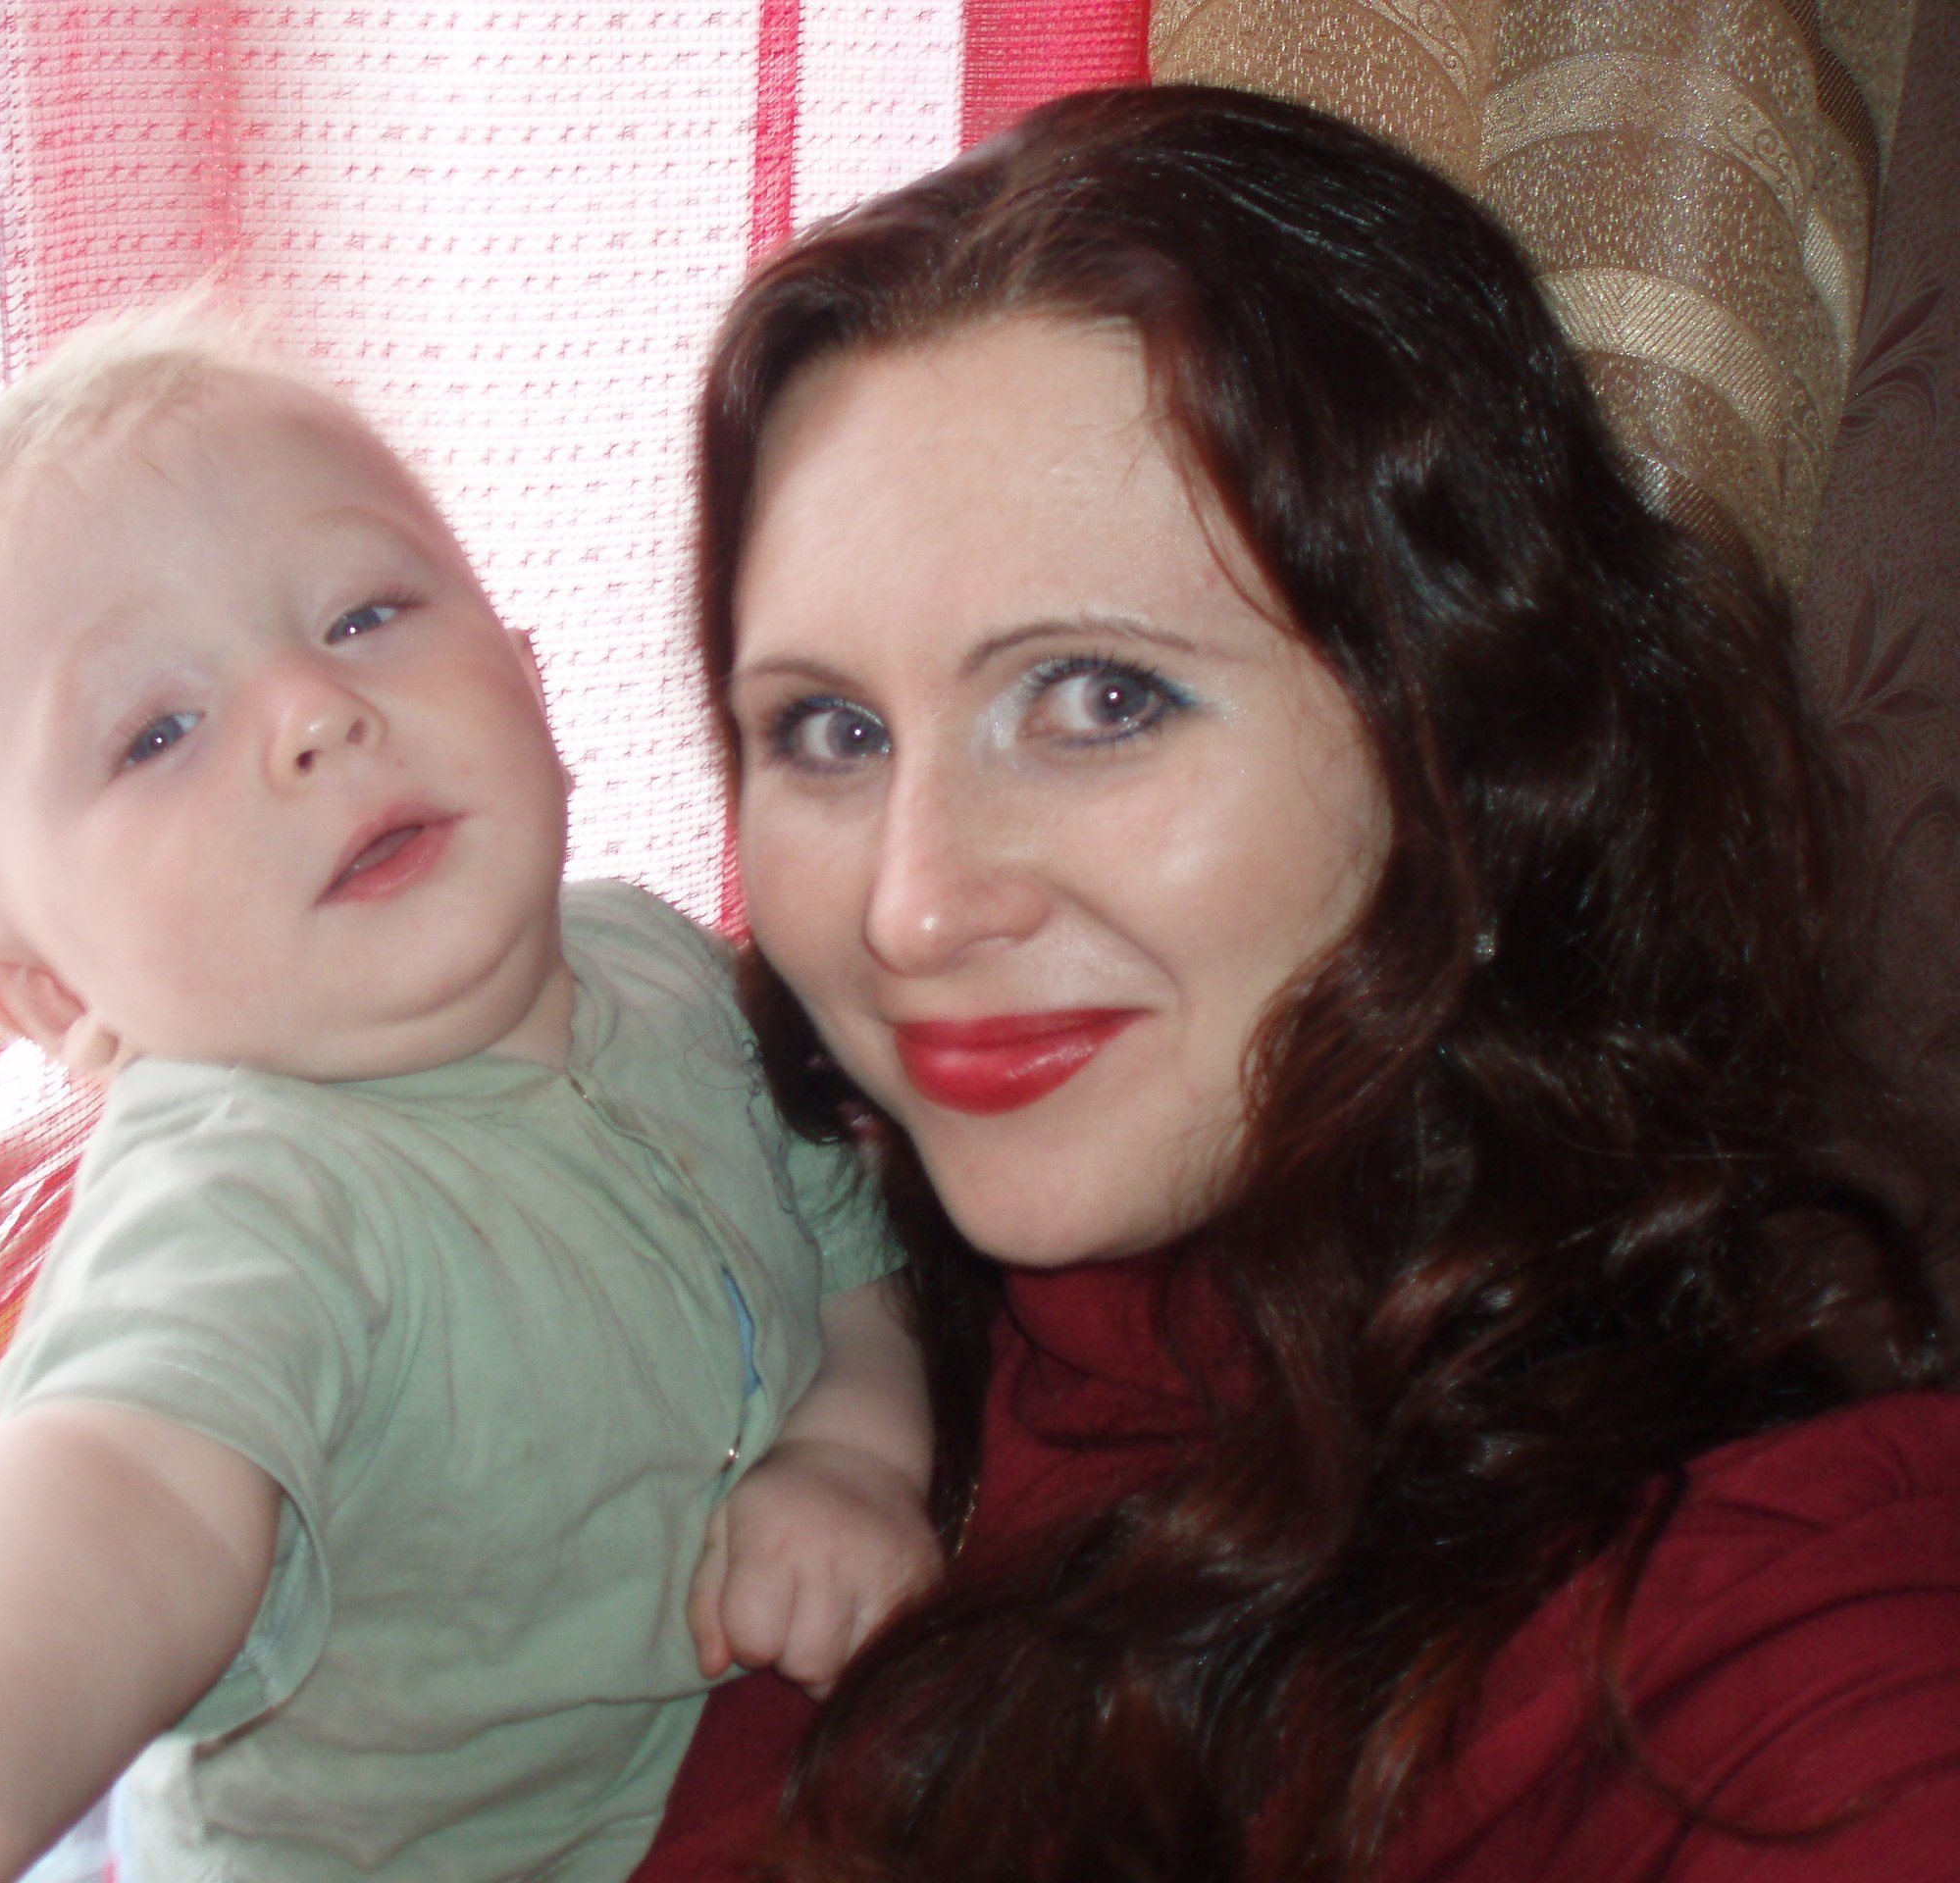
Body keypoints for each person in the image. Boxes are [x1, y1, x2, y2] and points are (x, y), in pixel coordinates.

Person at [633, 83, 1960, 1883]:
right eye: (829, 730)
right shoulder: (736, 1300)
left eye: (1102, 697)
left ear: (1470, 757)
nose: (913, 911)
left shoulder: (1731, 1644)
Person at [0, 318, 940, 1883]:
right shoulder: (245, 1190)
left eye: (366, 613)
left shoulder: (662, 963)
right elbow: (122, 1482)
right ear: (57, 994)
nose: (313, 710)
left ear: (529, 677)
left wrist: (851, 1453)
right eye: (156, 733)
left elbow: (846, 1252)